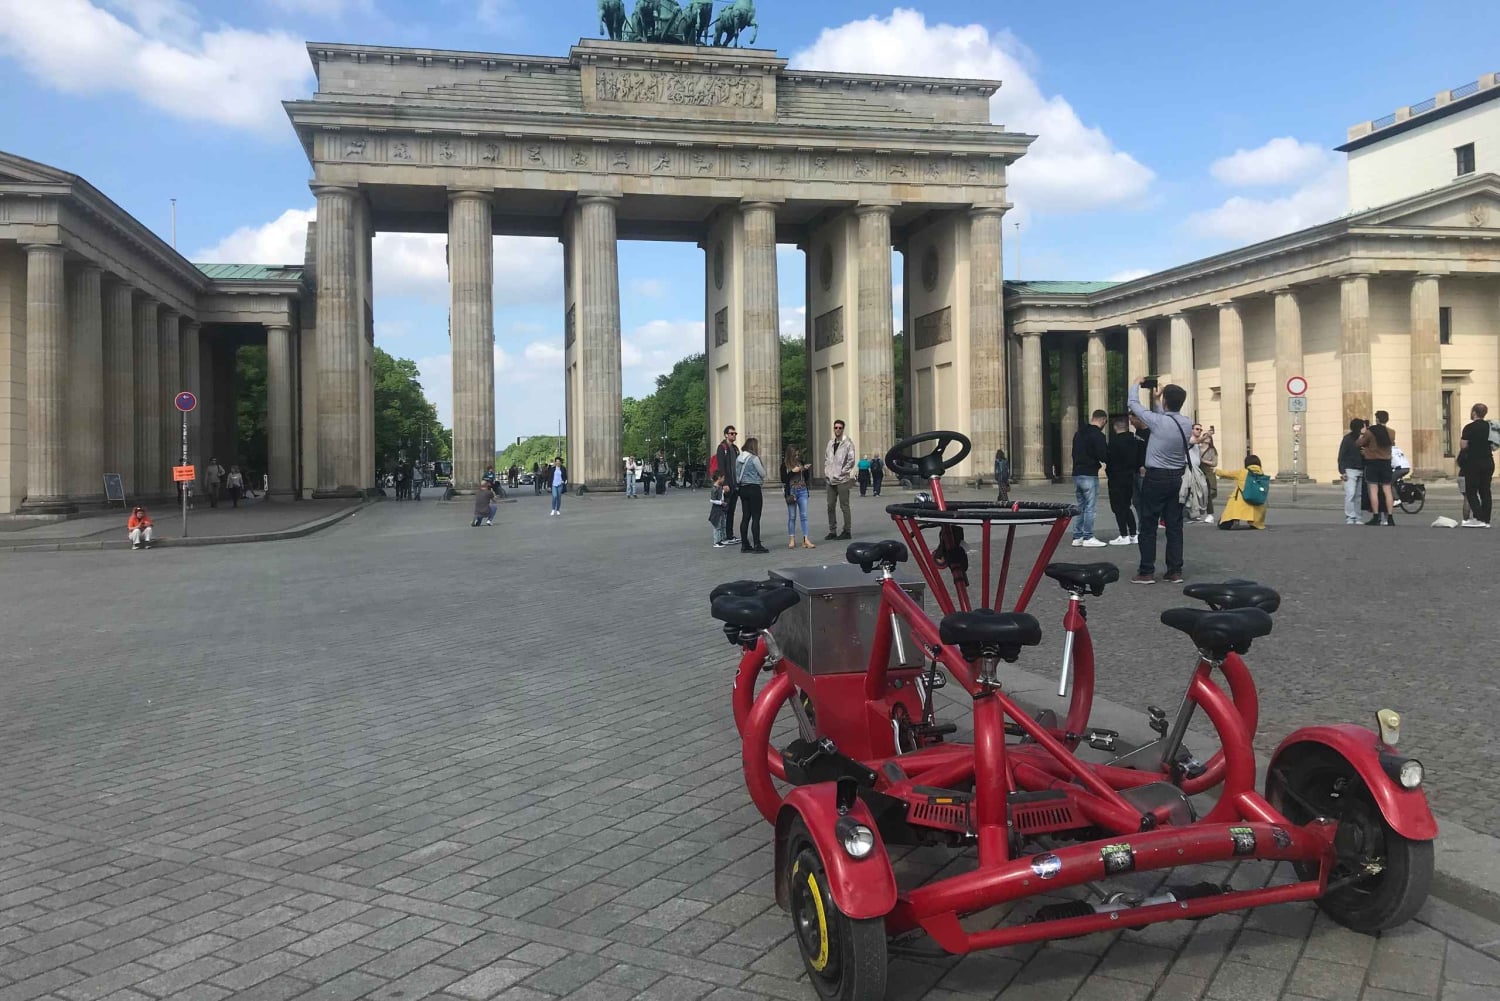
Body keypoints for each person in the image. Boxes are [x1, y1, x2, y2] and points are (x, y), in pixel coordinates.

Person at [1127, 379, 1195, 584]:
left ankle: (1146, 571)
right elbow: (1166, 418)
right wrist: (1160, 402)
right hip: (1177, 478)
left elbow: (1133, 403)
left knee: (1148, 524)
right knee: (1174, 525)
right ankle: (1175, 570)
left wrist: (1135, 384)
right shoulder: (1187, 423)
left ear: (1165, 401)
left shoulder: (1158, 421)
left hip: (1155, 477)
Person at [1070, 409, 1109, 547]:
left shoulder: (1079, 433)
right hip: (1089, 473)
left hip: (1077, 472)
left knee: (1081, 505)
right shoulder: (1097, 435)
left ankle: (1077, 536)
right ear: (1103, 420)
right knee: (1090, 506)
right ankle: (1088, 536)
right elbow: (1103, 455)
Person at [1459, 402, 1494, 528]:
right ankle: (1487, 519)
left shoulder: (1469, 427)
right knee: (1485, 491)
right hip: (1488, 461)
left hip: (1473, 462)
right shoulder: (1490, 426)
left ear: (1474, 412)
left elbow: (1463, 445)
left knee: (1471, 491)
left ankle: (1479, 518)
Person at [1357, 411, 1396, 526]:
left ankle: (1376, 516)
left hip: (1372, 463)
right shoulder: (1392, 432)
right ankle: (1390, 517)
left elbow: (1359, 443)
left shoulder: (1370, 432)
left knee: (1373, 490)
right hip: (1386, 463)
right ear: (1387, 419)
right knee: (1387, 490)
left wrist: (1362, 435)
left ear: (1377, 419)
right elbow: (1391, 443)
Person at [1104, 416, 1139, 545]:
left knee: (1118, 507)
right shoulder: (1134, 440)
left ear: (1115, 428)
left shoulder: (1114, 442)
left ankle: (1123, 534)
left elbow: (1109, 460)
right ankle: (1133, 534)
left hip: (1116, 477)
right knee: (1126, 506)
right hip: (1129, 476)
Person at [1215, 455, 1269, 530]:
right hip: (1257, 500)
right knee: (1255, 508)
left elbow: (1228, 474)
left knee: (1236, 500)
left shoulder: (1243, 472)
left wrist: (1216, 471)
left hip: (1241, 501)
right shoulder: (1261, 474)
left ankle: (1234, 519)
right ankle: (1255, 523)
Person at [824, 419, 856, 540]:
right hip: (830, 480)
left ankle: (847, 531)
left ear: (843, 429)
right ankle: (832, 530)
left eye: (840, 428)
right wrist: (827, 471)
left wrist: (841, 472)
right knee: (830, 506)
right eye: (836, 427)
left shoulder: (848, 443)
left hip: (842, 480)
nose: (837, 430)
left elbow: (851, 461)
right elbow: (827, 458)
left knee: (844, 506)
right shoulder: (830, 443)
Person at [736, 436, 769, 553]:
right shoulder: (754, 458)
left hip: (743, 489)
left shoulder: (739, 458)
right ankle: (757, 544)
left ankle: (744, 544)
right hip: (754, 488)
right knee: (756, 517)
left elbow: (737, 474)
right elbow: (763, 473)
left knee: (745, 517)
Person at [782, 445, 815, 550]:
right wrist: (793, 472)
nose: (796, 456)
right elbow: (784, 479)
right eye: (794, 454)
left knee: (804, 516)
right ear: (789, 455)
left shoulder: (801, 463)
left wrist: (805, 470)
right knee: (792, 516)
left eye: (797, 454)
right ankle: (792, 538)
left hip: (803, 491)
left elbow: (806, 478)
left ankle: (806, 539)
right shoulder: (784, 465)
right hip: (791, 492)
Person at [1337, 418, 1366, 525]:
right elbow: (1342, 455)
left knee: (1358, 495)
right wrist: (1342, 471)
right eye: (1364, 426)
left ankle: (1358, 517)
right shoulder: (1348, 439)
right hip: (1350, 469)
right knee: (1350, 494)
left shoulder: (1363, 439)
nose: (1365, 428)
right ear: (1359, 428)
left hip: (1361, 469)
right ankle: (1350, 516)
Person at [716, 427, 740, 542]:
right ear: (726, 435)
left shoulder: (735, 448)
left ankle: (730, 535)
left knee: (732, 510)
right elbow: (721, 466)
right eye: (731, 433)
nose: (734, 435)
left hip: (735, 484)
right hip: (728, 484)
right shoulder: (722, 448)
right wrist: (724, 483)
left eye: (735, 433)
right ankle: (724, 535)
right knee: (725, 510)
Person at [709, 471, 729, 547]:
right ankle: (716, 541)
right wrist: (721, 503)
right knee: (717, 525)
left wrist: (724, 491)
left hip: (721, 509)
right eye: (723, 478)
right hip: (716, 510)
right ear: (719, 478)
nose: (724, 479)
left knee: (723, 524)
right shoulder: (714, 488)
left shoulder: (719, 487)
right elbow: (712, 500)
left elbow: (721, 493)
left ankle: (722, 539)